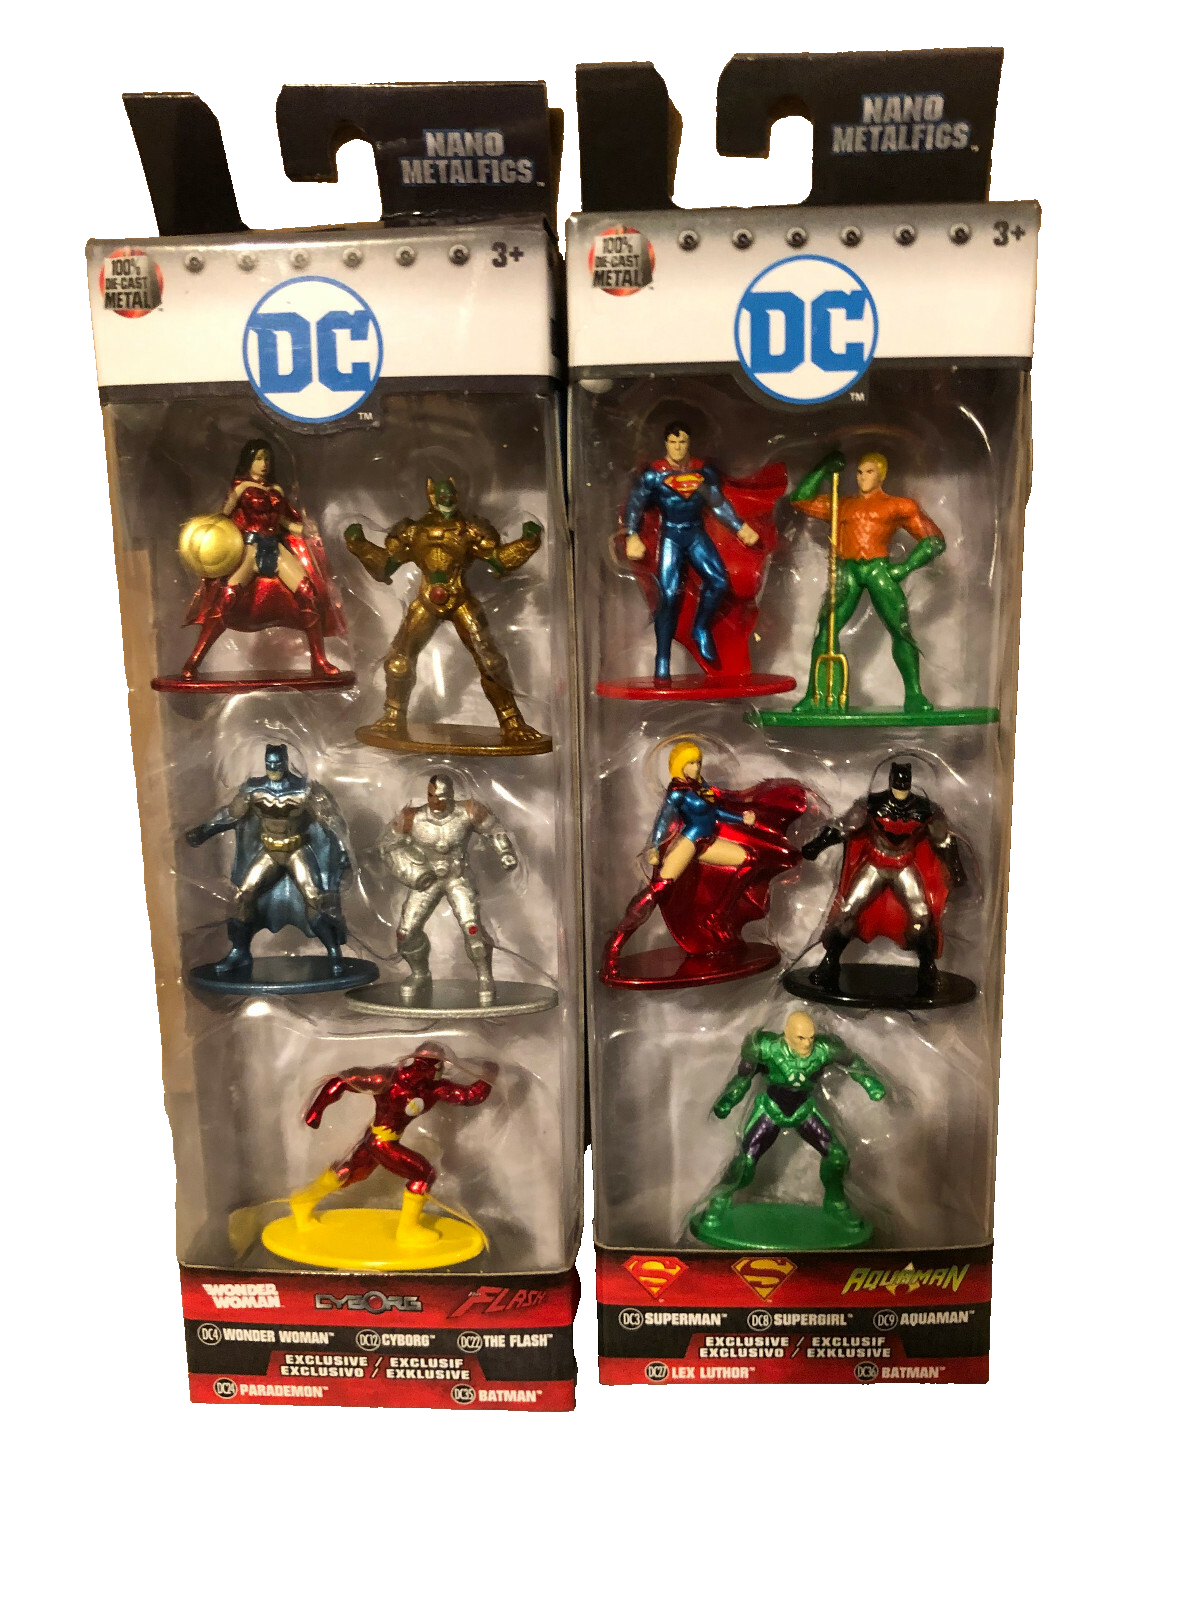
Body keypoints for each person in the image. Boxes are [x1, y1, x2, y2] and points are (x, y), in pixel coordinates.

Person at [696, 1009, 885, 1230]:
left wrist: (871, 1083)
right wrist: (728, 1101)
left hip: (803, 1110)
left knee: (837, 1157)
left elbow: (853, 1062)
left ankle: (836, 1202)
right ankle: (719, 1200)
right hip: (771, 1110)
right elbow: (743, 1077)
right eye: (801, 1038)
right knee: (745, 1162)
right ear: (787, 1033)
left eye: (811, 1038)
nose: (807, 1044)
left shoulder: (824, 1049)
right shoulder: (766, 1048)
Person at [792, 450, 944, 712]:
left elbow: (934, 540)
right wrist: (823, 468)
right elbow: (800, 500)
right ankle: (816, 695)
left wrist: (905, 567)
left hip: (878, 570)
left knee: (900, 630)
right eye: (859, 472)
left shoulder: (898, 506)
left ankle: (915, 695)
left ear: (881, 475)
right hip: (847, 571)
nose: (862, 477)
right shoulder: (842, 504)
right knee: (826, 631)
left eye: (869, 472)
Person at [286, 1048, 492, 1241]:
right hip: (380, 1141)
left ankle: (302, 1201)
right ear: (422, 1065)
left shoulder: (432, 1088)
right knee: (423, 1174)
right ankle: (407, 1230)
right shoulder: (388, 1079)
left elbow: (469, 1096)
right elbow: (342, 1081)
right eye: (437, 1066)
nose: (439, 1071)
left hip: (380, 1140)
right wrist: (316, 1111)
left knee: (348, 1173)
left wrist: (489, 1073)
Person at [180, 439, 342, 680]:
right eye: (258, 458)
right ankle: (194, 660)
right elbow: (223, 518)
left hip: (275, 547)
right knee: (227, 597)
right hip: (251, 548)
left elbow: (284, 523)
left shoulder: (277, 491)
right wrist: (209, 539)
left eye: (267, 458)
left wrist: (305, 530)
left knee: (307, 592)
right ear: (249, 461)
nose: (264, 463)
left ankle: (319, 661)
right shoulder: (241, 488)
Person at [624, 422, 761, 684]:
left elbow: (718, 503)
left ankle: (701, 627)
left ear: (689, 443)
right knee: (667, 597)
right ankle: (662, 659)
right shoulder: (655, 474)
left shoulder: (702, 471)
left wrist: (740, 527)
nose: (678, 447)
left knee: (719, 581)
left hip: (696, 533)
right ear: (666, 444)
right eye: (673, 442)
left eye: (682, 442)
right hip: (671, 536)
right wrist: (632, 535)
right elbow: (635, 505)